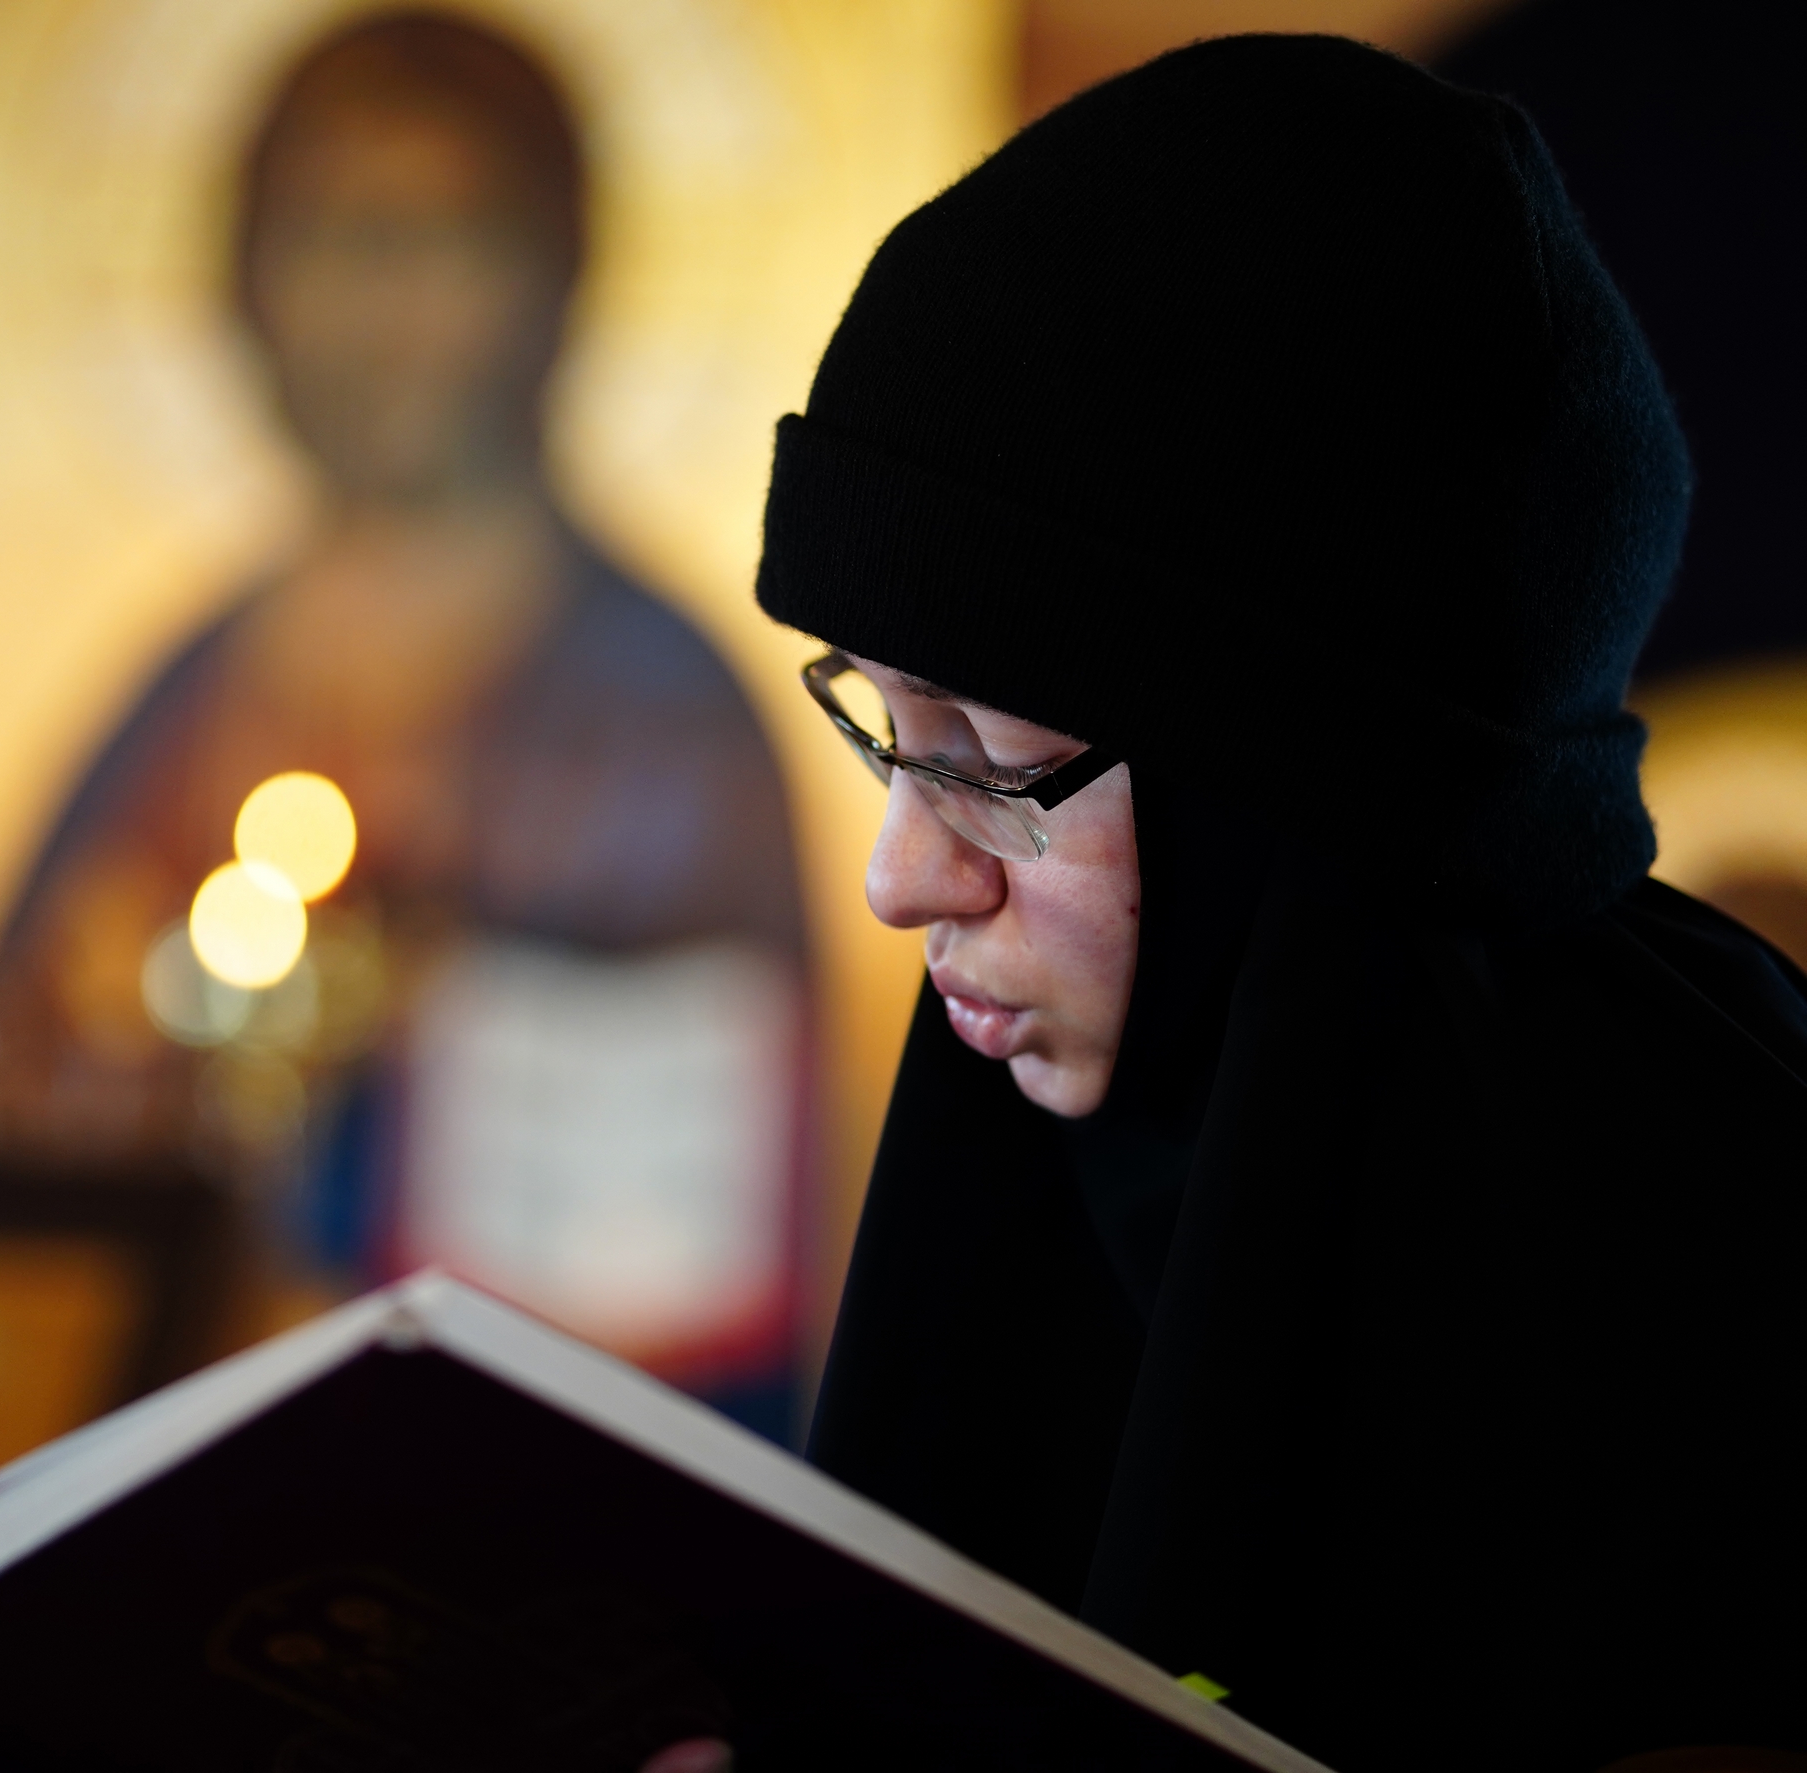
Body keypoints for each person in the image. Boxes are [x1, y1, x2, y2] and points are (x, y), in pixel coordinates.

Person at [756, 34, 1807, 1773]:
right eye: (883, 725)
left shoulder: (1728, 1302)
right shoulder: (1041, 1153)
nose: (899, 875)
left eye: (992, 755)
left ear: (1284, 789)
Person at [0, 13, 806, 1419]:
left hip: (521, 1467)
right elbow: (0, 1097)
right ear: (241, 280)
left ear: (558, 276)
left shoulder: (666, 712)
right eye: (330, 235)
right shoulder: (180, 685)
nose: (384, 306)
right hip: (154, 1440)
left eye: (448, 237)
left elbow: (711, 1229)